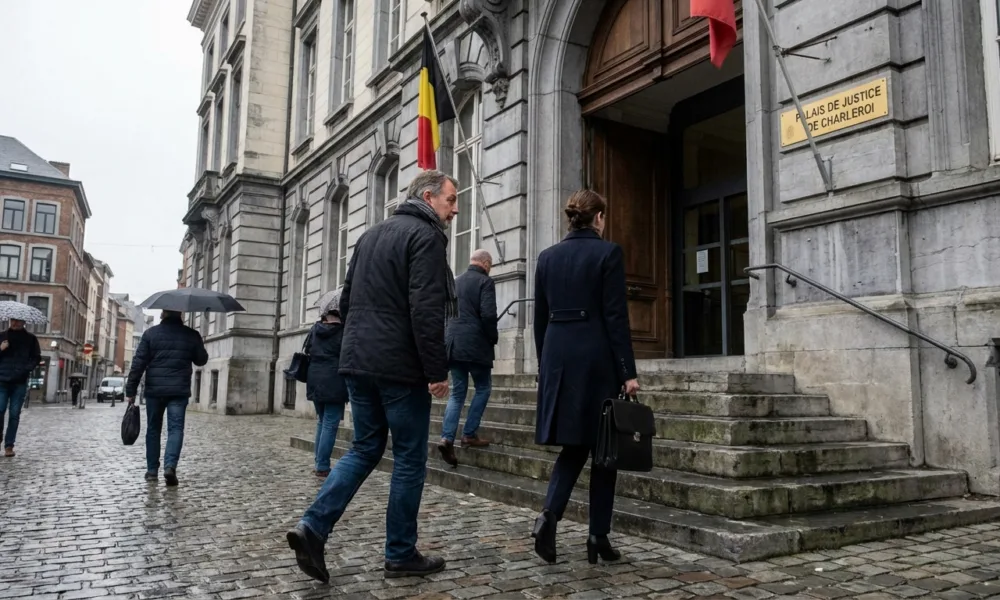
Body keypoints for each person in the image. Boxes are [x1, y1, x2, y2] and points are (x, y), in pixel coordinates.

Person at [286, 169, 458, 583]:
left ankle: (313, 526)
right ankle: (400, 553)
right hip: (399, 367)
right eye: (451, 200)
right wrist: (436, 370)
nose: (455, 209)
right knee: (409, 458)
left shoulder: (370, 235)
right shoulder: (427, 237)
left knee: (364, 449)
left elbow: (345, 300)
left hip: (357, 361)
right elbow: (425, 309)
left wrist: (358, 348)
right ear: (429, 197)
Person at [530, 189, 640, 565]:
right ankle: (597, 535)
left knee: (574, 446)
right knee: (605, 450)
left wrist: (545, 367)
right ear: (599, 218)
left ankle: (549, 517)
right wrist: (628, 372)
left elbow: (539, 320)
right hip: (596, 359)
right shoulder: (608, 253)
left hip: (558, 358)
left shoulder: (547, 257)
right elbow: (615, 317)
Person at [125, 309, 208, 486]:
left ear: (163, 314)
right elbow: (201, 360)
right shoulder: (191, 335)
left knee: (153, 429)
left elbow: (138, 363)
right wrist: (200, 342)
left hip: (155, 391)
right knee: (175, 429)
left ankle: (152, 471)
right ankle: (170, 467)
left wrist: (131, 390)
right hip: (179, 391)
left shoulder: (150, 334)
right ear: (180, 315)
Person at [438, 249, 498, 466]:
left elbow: (446, 314)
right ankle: (469, 434)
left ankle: (447, 438)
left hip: (453, 344)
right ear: (486, 263)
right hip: (475, 345)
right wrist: (493, 338)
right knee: (483, 388)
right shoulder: (485, 282)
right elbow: (488, 315)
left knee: (457, 393)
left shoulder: (455, 282)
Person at [306, 288, 348, 478]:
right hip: (334, 381)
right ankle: (322, 465)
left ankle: (319, 462)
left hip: (315, 379)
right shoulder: (343, 332)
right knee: (330, 424)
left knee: (322, 422)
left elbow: (308, 350)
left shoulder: (315, 329)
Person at [0, 319, 41, 457]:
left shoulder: (30, 339)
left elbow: (36, 358)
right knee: (0, 410)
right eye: (13, 320)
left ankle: (9, 445)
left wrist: (26, 369)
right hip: (1, 380)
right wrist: (1, 349)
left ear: (23, 322)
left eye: (18, 321)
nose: (15, 323)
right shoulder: (2, 336)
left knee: (14, 414)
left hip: (19, 382)